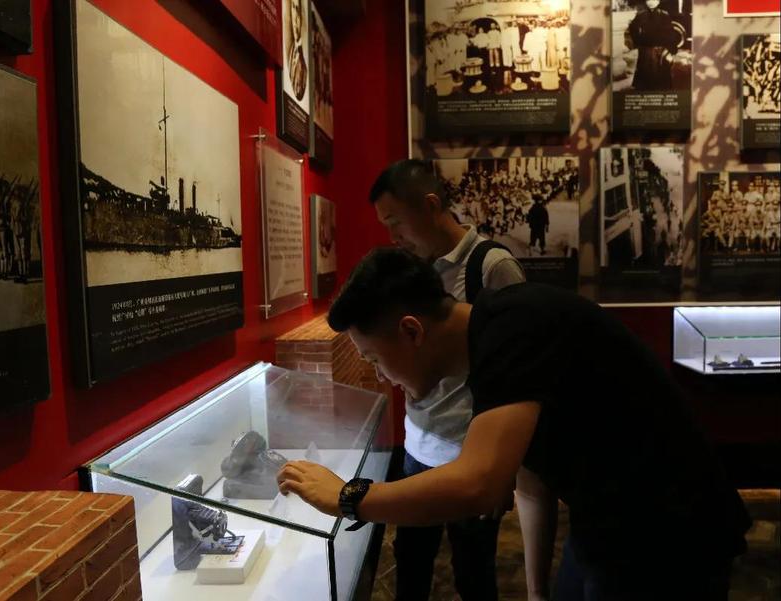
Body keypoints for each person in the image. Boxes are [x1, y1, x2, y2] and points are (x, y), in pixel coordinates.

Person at [277, 247, 752, 601]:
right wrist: (536, 592)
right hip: (604, 523)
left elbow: (479, 485)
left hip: (671, 534)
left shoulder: (513, 330)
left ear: (411, 330)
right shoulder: (490, 342)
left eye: (374, 359)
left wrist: (348, 498)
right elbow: (530, 481)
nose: (381, 376)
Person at [369, 160, 525, 600]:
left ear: (431, 205)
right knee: (411, 562)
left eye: (395, 221)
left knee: (473, 570)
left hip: (469, 454)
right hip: (417, 444)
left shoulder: (491, 267)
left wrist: (504, 468)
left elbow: (516, 371)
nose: (393, 236)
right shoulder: (409, 269)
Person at [626, 0, 679, 91]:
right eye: (648, 0)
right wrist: (639, 40)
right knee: (645, 75)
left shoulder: (664, 15)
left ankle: (661, 89)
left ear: (658, 2)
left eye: (654, 0)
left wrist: (670, 48)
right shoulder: (641, 15)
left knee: (661, 76)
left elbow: (670, 33)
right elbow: (632, 28)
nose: (651, 2)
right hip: (645, 49)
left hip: (660, 49)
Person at [287, 0, 308, 101]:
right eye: (293, 8)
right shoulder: (290, 51)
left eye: (297, 10)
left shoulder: (304, 68)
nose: (295, 18)